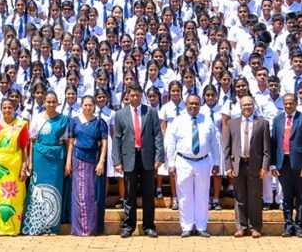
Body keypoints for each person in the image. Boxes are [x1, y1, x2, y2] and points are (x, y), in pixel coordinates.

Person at [112, 85, 165, 238]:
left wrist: (159, 157)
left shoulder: (151, 112)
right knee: (129, 194)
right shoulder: (120, 114)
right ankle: (128, 226)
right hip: (129, 157)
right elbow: (117, 138)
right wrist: (117, 161)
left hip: (147, 157)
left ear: (142, 95)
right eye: (132, 95)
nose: (135, 98)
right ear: (128, 96)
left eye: (137, 95)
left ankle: (149, 226)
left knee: (148, 194)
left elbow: (157, 135)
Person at [165, 93, 220, 237]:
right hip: (184, 161)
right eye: (191, 103)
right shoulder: (178, 121)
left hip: (203, 161)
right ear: (186, 104)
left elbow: (214, 143)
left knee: (202, 195)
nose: (194, 106)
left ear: (200, 105)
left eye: (196, 103)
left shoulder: (207, 120)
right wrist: (171, 163)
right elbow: (171, 143)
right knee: (185, 196)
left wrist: (216, 162)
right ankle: (187, 226)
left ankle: (201, 226)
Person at [223, 95, 270, 238]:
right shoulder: (232, 123)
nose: (247, 107)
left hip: (255, 165)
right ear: (240, 106)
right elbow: (227, 147)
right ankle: (241, 227)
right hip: (239, 164)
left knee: (255, 196)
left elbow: (266, 148)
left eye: (249, 104)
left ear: (254, 106)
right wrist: (228, 166)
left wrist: (265, 166)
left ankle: (255, 227)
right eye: (244, 105)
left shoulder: (262, 123)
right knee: (240, 197)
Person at [23, 91, 70, 235]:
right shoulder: (37, 117)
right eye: (48, 102)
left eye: (53, 102)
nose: (51, 104)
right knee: (38, 190)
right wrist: (30, 161)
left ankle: (51, 226)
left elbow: (68, 142)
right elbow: (32, 140)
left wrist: (68, 162)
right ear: (44, 102)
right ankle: (36, 226)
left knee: (55, 189)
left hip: (56, 158)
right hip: (39, 157)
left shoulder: (63, 119)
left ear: (58, 103)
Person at [0, 98, 30, 235]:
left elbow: (24, 148)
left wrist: (23, 168)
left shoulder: (21, 125)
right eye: (4, 107)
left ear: (14, 109)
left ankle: (13, 228)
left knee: (14, 195)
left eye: (9, 107)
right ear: (1, 109)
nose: (7, 110)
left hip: (15, 164)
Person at [67, 95, 108, 236]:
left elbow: (104, 143)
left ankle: (91, 228)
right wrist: (68, 162)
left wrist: (101, 161)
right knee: (78, 193)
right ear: (81, 106)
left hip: (94, 160)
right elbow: (71, 142)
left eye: (90, 105)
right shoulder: (74, 121)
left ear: (94, 106)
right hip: (77, 159)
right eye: (85, 105)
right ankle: (78, 229)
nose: (88, 107)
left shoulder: (100, 122)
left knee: (92, 193)